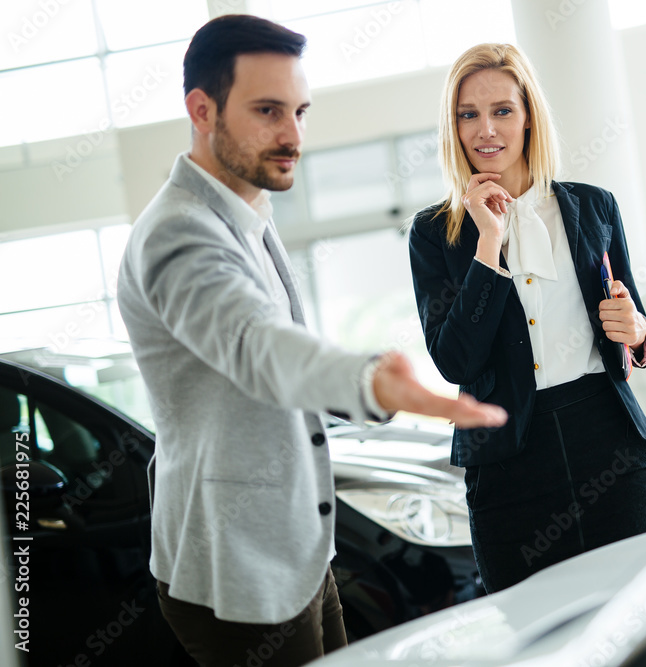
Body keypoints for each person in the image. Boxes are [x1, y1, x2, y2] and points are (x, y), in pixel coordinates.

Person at [116, 15, 505, 667]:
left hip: (295, 548)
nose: (293, 135)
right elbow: (256, 344)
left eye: (299, 111)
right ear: (201, 109)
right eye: (268, 110)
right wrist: (371, 381)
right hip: (236, 568)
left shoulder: (245, 210)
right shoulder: (178, 236)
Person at [408, 43, 646, 593]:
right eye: (467, 115)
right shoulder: (434, 233)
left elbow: (633, 320)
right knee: (534, 635)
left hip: (609, 441)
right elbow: (456, 361)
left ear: (528, 116)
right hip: (507, 464)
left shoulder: (593, 206)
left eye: (502, 110)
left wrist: (638, 331)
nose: (486, 130)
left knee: (637, 615)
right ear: (452, 128)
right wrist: (489, 245)